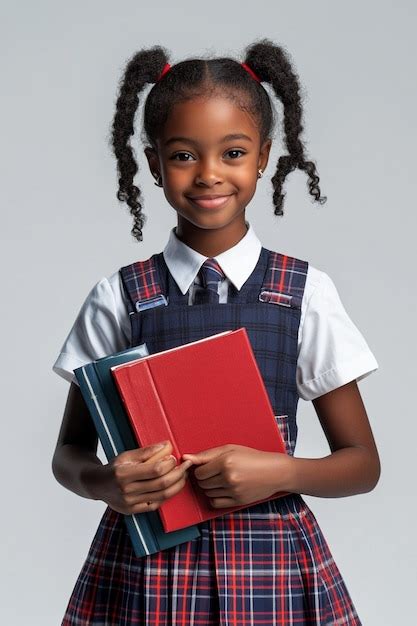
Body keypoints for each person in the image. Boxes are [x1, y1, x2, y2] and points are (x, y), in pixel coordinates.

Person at [51, 38, 380, 625]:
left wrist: (282, 471)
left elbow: (362, 464)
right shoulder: (118, 298)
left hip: (270, 564)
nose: (208, 174)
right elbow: (68, 455)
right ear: (153, 163)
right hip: (148, 567)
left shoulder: (304, 293)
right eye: (183, 155)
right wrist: (108, 483)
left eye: (232, 152)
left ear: (264, 157)